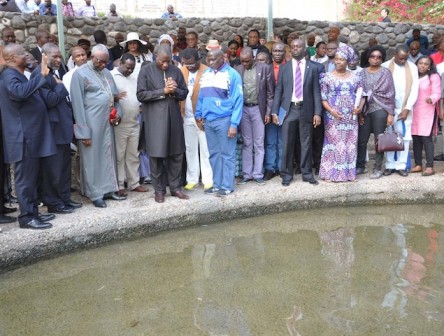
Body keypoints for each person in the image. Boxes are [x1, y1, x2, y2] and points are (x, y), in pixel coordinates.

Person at [0, 43, 56, 229]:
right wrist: (41, 75)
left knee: (32, 178)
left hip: (31, 137)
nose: (27, 55)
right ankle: (26, 217)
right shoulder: (9, 76)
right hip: (23, 138)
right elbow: (19, 93)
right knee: (25, 180)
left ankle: (33, 212)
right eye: (22, 53)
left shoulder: (18, 74)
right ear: (12, 58)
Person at [70, 44, 126, 208]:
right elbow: (77, 106)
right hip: (91, 124)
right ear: (92, 57)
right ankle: (96, 194)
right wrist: (83, 133)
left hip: (108, 123)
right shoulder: (79, 75)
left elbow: (115, 98)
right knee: (93, 159)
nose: (103, 65)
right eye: (101, 62)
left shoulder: (107, 72)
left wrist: (118, 115)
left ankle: (109, 190)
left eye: (105, 62)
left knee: (108, 156)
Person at [32, 42, 82, 213]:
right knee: (53, 170)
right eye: (54, 56)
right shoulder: (39, 75)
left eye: (59, 56)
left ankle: (65, 199)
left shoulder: (54, 72)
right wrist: (61, 87)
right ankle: (54, 203)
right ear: (44, 56)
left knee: (63, 168)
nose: (58, 59)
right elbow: (49, 101)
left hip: (63, 129)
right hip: (53, 130)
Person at [137, 45, 189, 203]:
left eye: (168, 62)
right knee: (157, 156)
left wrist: (174, 91)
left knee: (176, 154)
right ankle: (159, 190)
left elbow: (184, 93)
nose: (166, 65)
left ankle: (175, 188)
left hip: (173, 120)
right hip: (155, 121)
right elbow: (141, 94)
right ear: (155, 57)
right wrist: (163, 91)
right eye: (162, 61)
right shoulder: (146, 70)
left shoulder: (176, 71)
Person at [271, 39, 322, 186]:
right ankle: (286, 175)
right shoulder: (285, 68)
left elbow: (316, 92)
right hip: (289, 110)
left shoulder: (312, 68)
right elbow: (279, 90)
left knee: (306, 143)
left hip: (306, 109)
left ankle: (306, 174)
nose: (295, 49)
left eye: (298, 46)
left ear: (304, 48)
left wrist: (317, 113)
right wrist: (275, 112)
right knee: (287, 143)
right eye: (293, 47)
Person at [195, 48, 243, 197]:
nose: (209, 62)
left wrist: (234, 124)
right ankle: (217, 185)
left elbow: (238, 101)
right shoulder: (207, 74)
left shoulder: (232, 75)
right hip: (208, 121)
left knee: (227, 154)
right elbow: (202, 97)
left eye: (213, 59)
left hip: (225, 120)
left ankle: (227, 186)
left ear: (222, 58)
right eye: (208, 59)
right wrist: (198, 115)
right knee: (214, 154)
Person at [319, 45, 365, 182]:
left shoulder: (356, 77)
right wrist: (332, 111)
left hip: (351, 117)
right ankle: (330, 174)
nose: (338, 61)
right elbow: (323, 98)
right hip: (333, 117)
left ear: (348, 61)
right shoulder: (326, 77)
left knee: (349, 144)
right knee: (334, 143)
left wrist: (360, 108)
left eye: (342, 59)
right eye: (337, 59)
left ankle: (348, 174)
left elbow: (362, 95)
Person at [236, 47, 274, 185]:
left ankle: (257, 173)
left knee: (259, 143)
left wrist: (268, 112)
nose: (244, 64)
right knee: (247, 143)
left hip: (259, 109)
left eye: (247, 61)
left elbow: (270, 93)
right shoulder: (238, 69)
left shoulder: (264, 68)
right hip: (244, 109)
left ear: (253, 57)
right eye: (242, 61)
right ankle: (247, 174)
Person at [111, 53, 148, 195]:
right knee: (119, 156)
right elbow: (107, 97)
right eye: (127, 67)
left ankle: (134, 183)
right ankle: (120, 185)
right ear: (120, 63)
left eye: (132, 68)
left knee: (134, 154)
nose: (130, 70)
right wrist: (115, 96)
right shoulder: (111, 76)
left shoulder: (133, 77)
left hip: (134, 121)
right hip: (119, 124)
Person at [356, 45, 395, 178]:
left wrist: (390, 113)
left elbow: (390, 94)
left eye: (379, 57)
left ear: (382, 59)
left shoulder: (385, 73)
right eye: (373, 56)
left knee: (379, 140)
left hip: (380, 109)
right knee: (362, 140)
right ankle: (360, 166)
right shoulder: (361, 73)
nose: (375, 59)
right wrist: (360, 111)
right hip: (365, 110)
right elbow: (359, 93)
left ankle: (377, 168)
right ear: (369, 57)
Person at [382, 44, 419, 177]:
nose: (404, 61)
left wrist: (407, 108)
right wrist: (388, 110)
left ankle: (402, 165)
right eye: (401, 58)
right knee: (389, 137)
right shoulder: (386, 66)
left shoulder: (413, 68)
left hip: (405, 109)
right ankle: (390, 165)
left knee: (405, 138)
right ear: (395, 55)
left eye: (406, 58)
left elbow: (415, 89)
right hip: (388, 108)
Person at [179, 48, 213, 193]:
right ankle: (192, 179)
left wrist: (204, 115)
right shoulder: (181, 71)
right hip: (186, 116)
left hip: (202, 117)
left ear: (198, 60)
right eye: (187, 65)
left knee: (205, 149)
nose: (190, 67)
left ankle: (208, 180)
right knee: (190, 148)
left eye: (192, 64)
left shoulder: (208, 71)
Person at [411, 56, 441, 176]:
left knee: (426, 138)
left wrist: (431, 98)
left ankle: (429, 166)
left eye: (426, 64)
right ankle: (418, 164)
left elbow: (437, 92)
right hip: (414, 111)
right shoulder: (413, 76)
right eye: (420, 63)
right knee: (416, 138)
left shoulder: (433, 77)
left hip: (427, 110)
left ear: (430, 66)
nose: (422, 66)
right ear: (416, 64)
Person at [264, 42, 286, 181]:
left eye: (280, 51)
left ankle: (282, 167)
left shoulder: (289, 67)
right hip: (269, 108)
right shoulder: (266, 68)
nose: (277, 53)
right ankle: (270, 168)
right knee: (271, 140)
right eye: (275, 51)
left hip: (285, 108)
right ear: (271, 52)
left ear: (284, 52)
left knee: (282, 140)